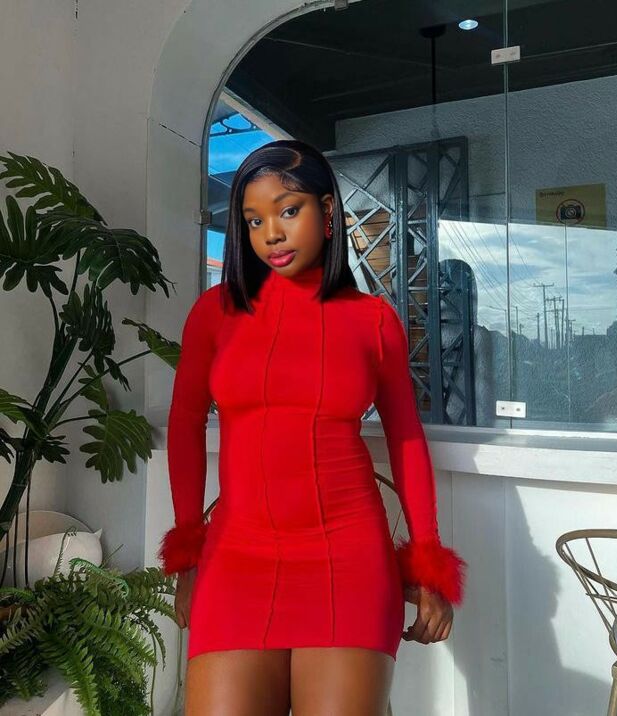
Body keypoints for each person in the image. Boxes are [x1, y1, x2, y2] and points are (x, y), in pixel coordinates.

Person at [158, 139, 466, 715]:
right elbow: (185, 424)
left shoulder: (372, 321)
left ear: (327, 212)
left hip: (347, 557)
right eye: (254, 220)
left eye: (288, 210)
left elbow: (404, 438)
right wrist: (188, 555)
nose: (271, 233)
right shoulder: (214, 314)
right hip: (236, 557)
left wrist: (427, 564)